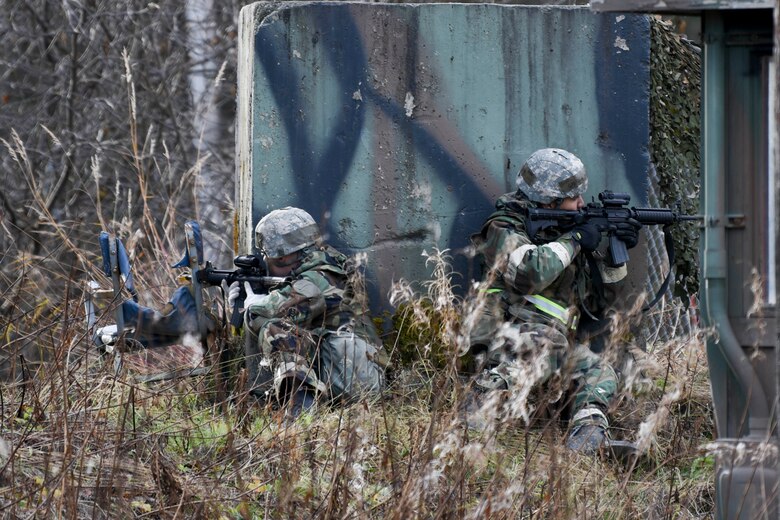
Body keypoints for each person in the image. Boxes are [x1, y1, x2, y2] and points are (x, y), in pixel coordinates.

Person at [465, 148, 642, 454]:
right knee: (547, 345)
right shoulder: (504, 226)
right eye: (575, 197)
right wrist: (575, 240)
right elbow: (529, 272)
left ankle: (588, 437)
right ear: (550, 201)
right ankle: (480, 400)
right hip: (506, 336)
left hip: (553, 345)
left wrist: (616, 252)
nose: (582, 205)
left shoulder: (564, 235)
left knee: (600, 372)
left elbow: (600, 301)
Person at [226, 207, 386, 417]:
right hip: (351, 372)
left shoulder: (317, 279)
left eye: (268, 257)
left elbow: (263, 313)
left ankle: (301, 411)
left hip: (358, 381)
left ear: (284, 257)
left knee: (275, 328)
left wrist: (251, 304)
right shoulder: (326, 265)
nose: (266, 262)